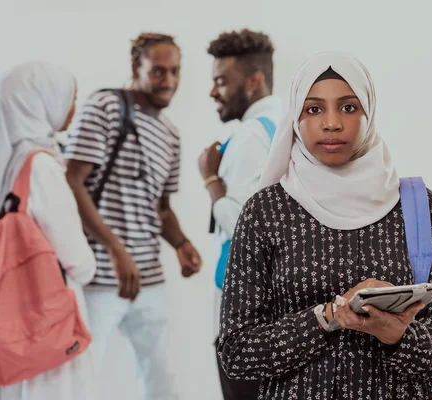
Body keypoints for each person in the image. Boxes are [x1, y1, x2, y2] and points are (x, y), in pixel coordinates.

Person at [216, 51, 432, 399]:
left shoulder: (417, 206)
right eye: (314, 109)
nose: (331, 123)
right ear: (295, 118)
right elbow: (237, 353)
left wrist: (395, 335)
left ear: (369, 111)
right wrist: (326, 317)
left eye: (348, 107)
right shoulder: (266, 211)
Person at [63, 32, 201, 399]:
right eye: (158, 71)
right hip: (99, 275)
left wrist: (182, 243)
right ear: (135, 68)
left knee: (165, 380)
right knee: (78, 378)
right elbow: (72, 181)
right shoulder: (106, 107)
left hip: (149, 278)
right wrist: (115, 249)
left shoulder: (171, 134)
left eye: (175, 72)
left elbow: (161, 208)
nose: (168, 82)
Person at [0, 62, 97, 400]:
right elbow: (75, 256)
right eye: (69, 98)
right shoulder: (40, 165)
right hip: (48, 314)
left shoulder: (1, 161)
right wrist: (91, 266)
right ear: (40, 102)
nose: (72, 108)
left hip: (12, 314)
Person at [198, 29, 282, 400]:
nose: (213, 91)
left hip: (244, 314)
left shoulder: (250, 136)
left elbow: (247, 226)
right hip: (279, 306)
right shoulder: (288, 123)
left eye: (221, 81)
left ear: (254, 81)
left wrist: (211, 179)